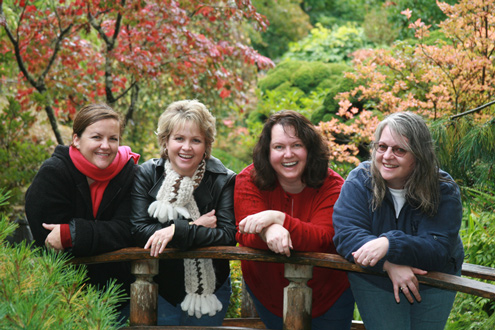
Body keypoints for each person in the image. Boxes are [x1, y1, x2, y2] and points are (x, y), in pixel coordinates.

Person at [333, 111, 464, 330]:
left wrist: (389, 244)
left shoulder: (442, 188)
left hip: (435, 279)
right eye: (381, 147)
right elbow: (347, 234)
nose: (387, 156)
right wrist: (388, 263)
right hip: (374, 279)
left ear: (419, 155)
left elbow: (437, 246)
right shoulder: (360, 180)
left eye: (399, 150)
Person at [234, 110, 354, 330]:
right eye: (279, 147)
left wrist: (277, 218)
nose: (288, 154)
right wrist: (270, 230)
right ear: (267, 152)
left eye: (296, 145)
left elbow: (323, 238)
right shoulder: (248, 180)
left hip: (330, 295)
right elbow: (244, 230)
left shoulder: (333, 186)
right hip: (266, 293)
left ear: (309, 149)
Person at [25, 103, 140, 317]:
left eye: (113, 139)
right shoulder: (53, 174)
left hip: (119, 295)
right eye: (96, 137)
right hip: (63, 296)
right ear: (76, 139)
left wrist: (72, 234)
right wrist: (104, 235)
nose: (105, 146)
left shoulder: (131, 174)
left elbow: (130, 230)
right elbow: (49, 240)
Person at [130, 99, 236, 326]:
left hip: (212, 291)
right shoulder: (147, 173)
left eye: (196, 140)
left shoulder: (223, 179)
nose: (186, 148)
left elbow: (228, 235)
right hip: (159, 287)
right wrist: (193, 227)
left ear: (206, 145)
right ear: (166, 141)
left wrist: (172, 232)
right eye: (179, 138)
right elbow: (139, 230)